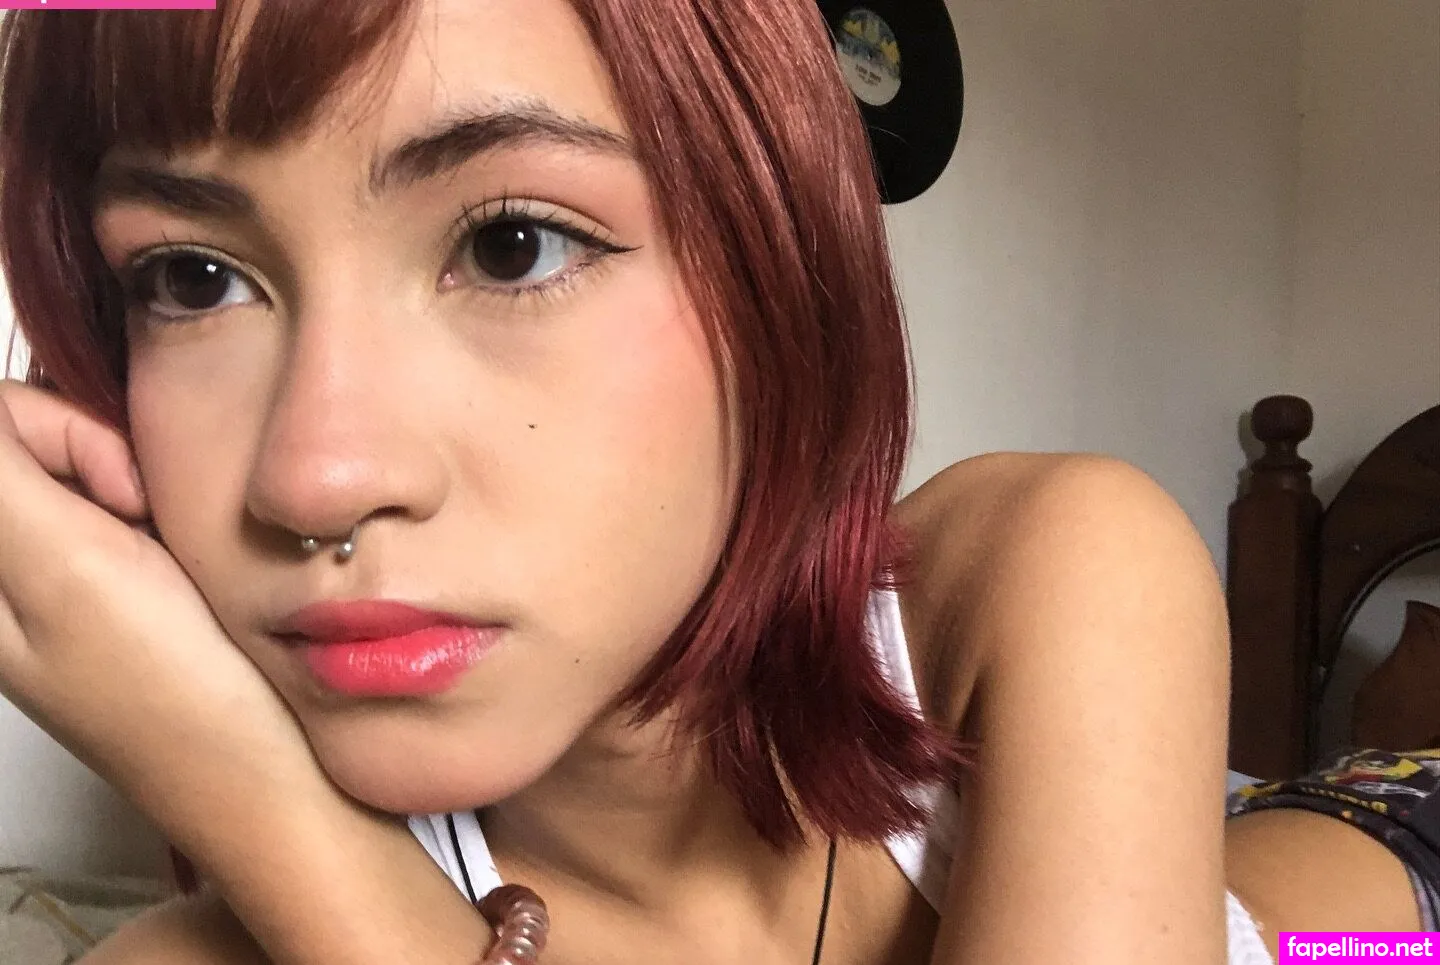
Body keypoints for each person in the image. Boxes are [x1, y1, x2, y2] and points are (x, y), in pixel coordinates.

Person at [0, 2, 1419, 963]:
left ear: (783, 279)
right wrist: (238, 783)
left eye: (510, 245)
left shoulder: (1049, 569)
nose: (316, 476)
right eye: (192, 279)